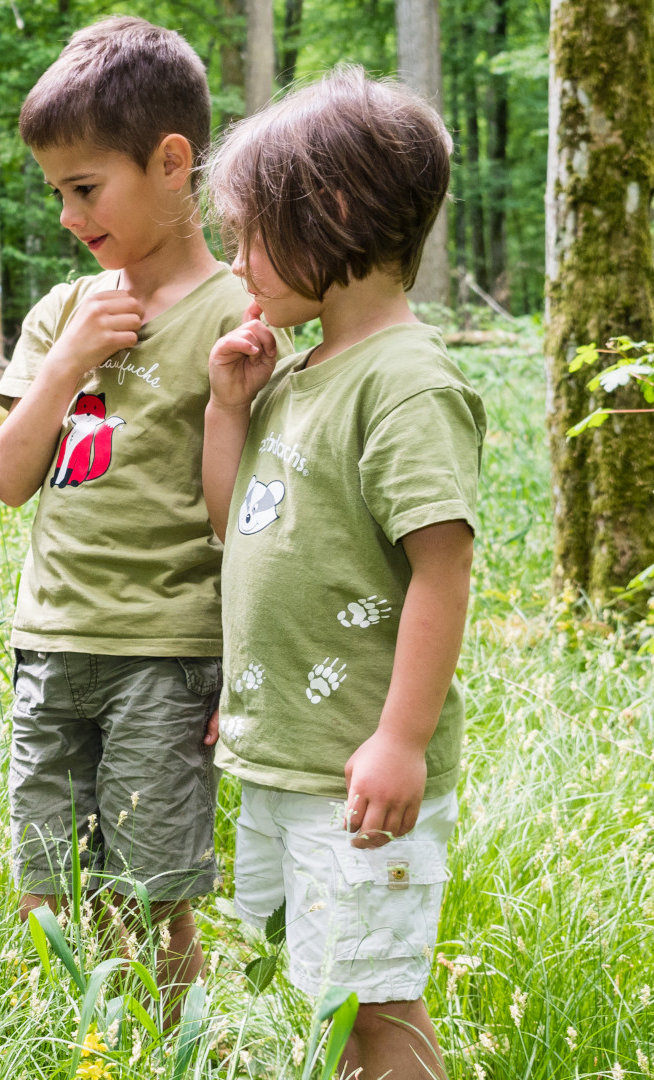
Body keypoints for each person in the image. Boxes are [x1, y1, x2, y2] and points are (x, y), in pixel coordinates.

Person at [0, 16, 290, 1008]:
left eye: (86, 189)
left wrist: (239, 666)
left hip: (165, 648)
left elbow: (248, 510)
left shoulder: (238, 316)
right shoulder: (61, 312)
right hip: (50, 642)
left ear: (171, 163)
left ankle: (172, 1045)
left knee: (151, 894)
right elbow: (7, 476)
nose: (70, 216)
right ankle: (70, 1043)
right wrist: (71, 359)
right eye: (56, 193)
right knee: (47, 885)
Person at [202, 68, 482, 1078]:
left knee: (376, 1000)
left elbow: (442, 574)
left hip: (360, 772)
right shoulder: (303, 370)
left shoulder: (407, 384)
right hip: (291, 754)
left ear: (335, 209)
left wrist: (402, 740)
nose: (236, 263)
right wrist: (230, 408)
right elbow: (241, 528)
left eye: (249, 235)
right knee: (329, 988)